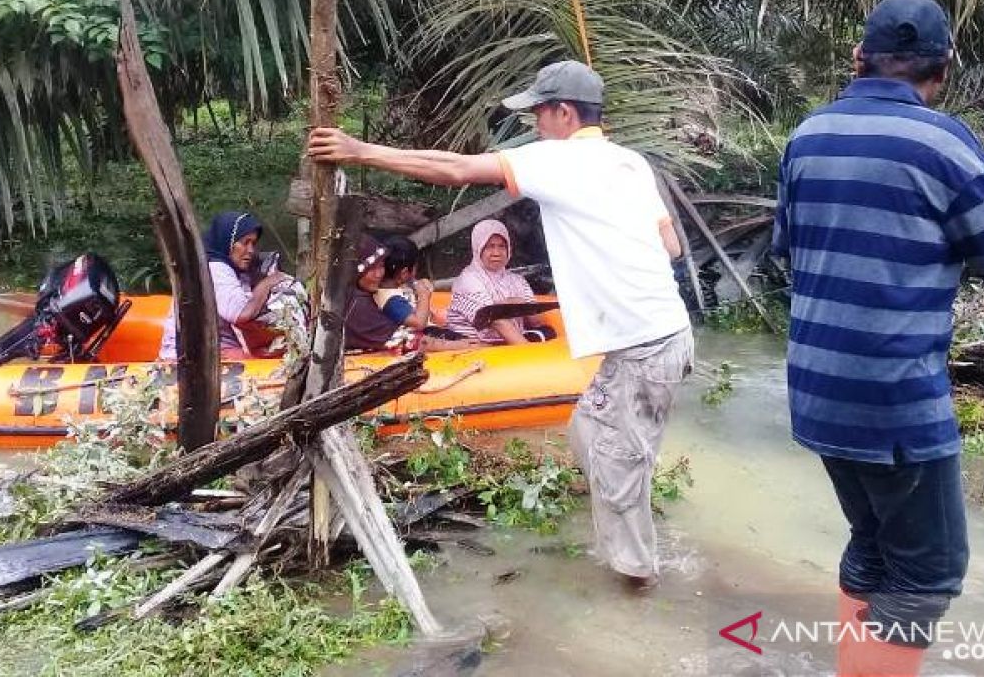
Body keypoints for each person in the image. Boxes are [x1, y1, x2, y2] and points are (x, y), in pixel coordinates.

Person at [310, 60, 694, 589]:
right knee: (588, 434)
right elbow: (670, 245)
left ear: (564, 113)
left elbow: (456, 170)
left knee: (617, 467)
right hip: (666, 336)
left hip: (644, 348)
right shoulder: (629, 164)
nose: (535, 124)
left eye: (539, 112)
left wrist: (361, 151)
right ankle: (625, 527)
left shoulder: (561, 159)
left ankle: (636, 585)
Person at [771, 0, 984, 676]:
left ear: (860, 60)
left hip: (816, 390)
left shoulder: (807, 135)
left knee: (872, 543)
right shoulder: (943, 142)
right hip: (893, 399)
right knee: (927, 572)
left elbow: (792, 252)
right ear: (942, 69)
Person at [158, 211, 292, 360]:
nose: (251, 250)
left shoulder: (234, 271)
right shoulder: (215, 269)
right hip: (188, 356)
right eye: (245, 242)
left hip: (213, 347)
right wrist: (267, 283)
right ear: (227, 241)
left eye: (253, 243)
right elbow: (241, 314)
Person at [447, 219, 544, 344]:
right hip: (478, 347)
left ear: (509, 248)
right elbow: (494, 320)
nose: (496, 253)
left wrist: (521, 303)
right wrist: (531, 355)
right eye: (489, 247)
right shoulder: (468, 281)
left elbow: (536, 322)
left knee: (548, 331)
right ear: (478, 249)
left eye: (501, 246)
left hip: (512, 340)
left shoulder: (517, 280)